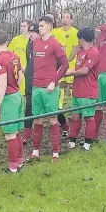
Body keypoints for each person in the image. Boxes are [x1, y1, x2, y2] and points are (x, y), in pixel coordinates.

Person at [28, 16, 69, 163]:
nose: (39, 28)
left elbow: (65, 65)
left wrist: (53, 81)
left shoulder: (54, 43)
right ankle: (35, 151)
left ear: (49, 27)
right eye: (39, 26)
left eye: (42, 26)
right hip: (36, 87)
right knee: (37, 120)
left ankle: (55, 153)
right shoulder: (35, 42)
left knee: (52, 119)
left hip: (49, 88)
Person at [0, 30, 25, 173]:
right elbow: (21, 75)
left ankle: (12, 167)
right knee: (16, 132)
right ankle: (19, 161)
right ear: (8, 42)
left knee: (10, 134)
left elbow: (2, 85)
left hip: (9, 98)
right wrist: (16, 85)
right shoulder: (14, 56)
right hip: (17, 95)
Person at [64, 27, 100, 151]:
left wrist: (70, 73)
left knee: (89, 117)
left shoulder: (94, 52)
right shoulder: (80, 51)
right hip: (78, 89)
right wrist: (73, 52)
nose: (78, 41)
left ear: (82, 39)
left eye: (78, 39)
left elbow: (85, 70)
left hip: (88, 90)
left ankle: (87, 143)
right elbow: (69, 59)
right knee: (75, 116)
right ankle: (72, 141)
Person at [44, 13, 70, 136]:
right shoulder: (40, 35)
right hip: (41, 74)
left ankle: (64, 125)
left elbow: (62, 53)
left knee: (55, 104)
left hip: (53, 73)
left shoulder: (59, 34)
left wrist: (57, 73)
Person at [21, 23, 40, 143]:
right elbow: (29, 63)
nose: (31, 34)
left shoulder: (47, 46)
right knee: (28, 107)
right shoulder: (29, 45)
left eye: (34, 32)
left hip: (43, 83)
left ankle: (64, 126)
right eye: (30, 32)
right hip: (30, 81)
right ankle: (26, 135)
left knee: (50, 109)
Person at [8, 19, 32, 96]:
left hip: (27, 70)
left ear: (29, 27)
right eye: (21, 26)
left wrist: (27, 66)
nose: (22, 28)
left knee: (27, 92)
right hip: (16, 69)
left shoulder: (32, 40)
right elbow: (9, 53)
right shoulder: (15, 39)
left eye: (24, 26)